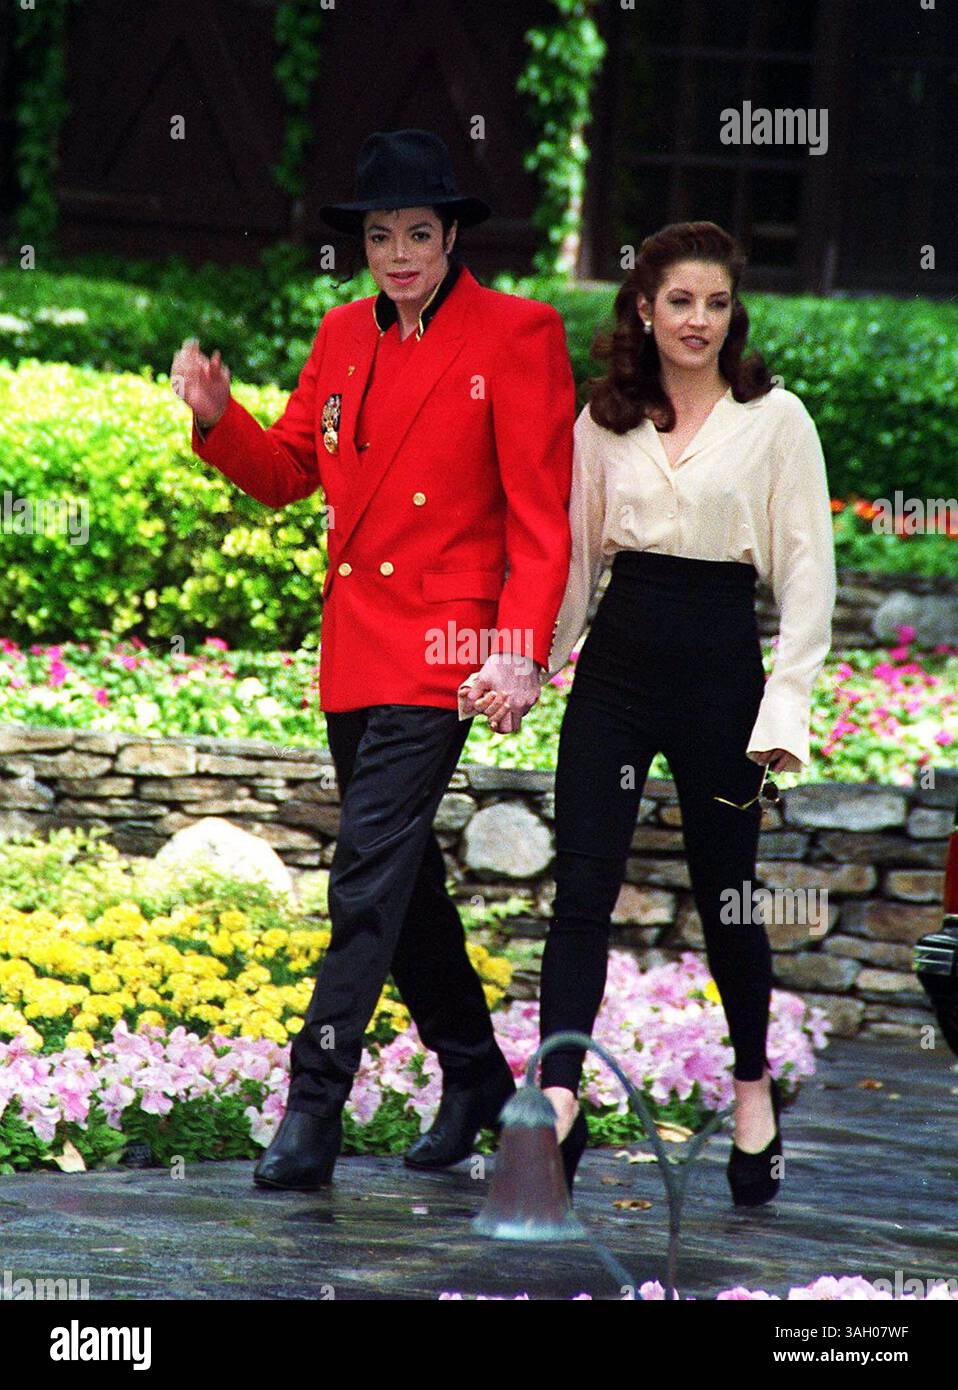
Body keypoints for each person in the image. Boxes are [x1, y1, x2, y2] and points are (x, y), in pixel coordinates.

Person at [170, 129, 576, 1189]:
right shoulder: (341, 333)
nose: (399, 254)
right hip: (358, 647)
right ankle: (478, 1073)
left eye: (419, 234)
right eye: (382, 235)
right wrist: (219, 421)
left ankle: (313, 1106)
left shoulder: (517, 333)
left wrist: (520, 652)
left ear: (450, 237)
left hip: (446, 655)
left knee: (362, 877)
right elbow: (292, 470)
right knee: (399, 882)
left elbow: (542, 520)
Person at [525, 220, 836, 1206]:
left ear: (731, 311)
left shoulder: (776, 419)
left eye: (714, 302)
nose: (697, 320)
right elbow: (573, 566)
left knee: (725, 896)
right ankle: (559, 1097)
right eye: (678, 302)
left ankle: (753, 1088)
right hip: (616, 667)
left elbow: (808, 576)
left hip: (719, 671)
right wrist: (531, 663)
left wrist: (782, 708)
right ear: (644, 310)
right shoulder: (601, 421)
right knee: (580, 888)